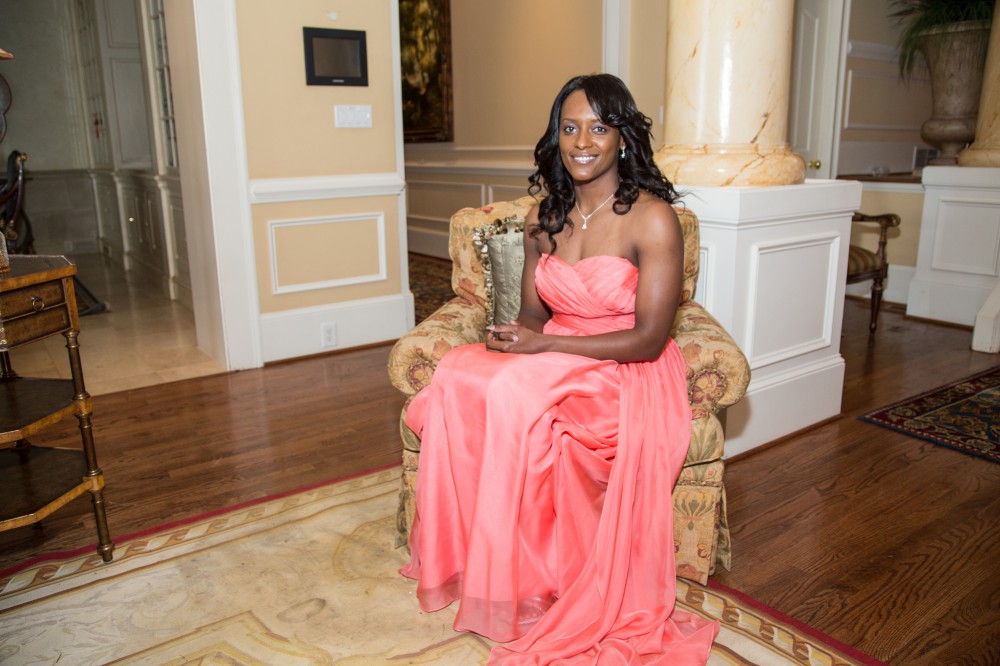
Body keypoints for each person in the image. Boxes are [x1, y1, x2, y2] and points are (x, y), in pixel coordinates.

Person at [400, 73, 719, 664]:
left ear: (622, 137)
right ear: (556, 136)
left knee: (514, 397)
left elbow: (650, 338)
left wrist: (542, 350)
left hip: (625, 367)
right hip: (559, 352)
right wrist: (514, 339)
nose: (583, 142)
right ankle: (487, 567)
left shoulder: (653, 219)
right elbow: (533, 315)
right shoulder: (542, 219)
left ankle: (534, 578)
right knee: (460, 375)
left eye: (599, 127)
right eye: (570, 127)